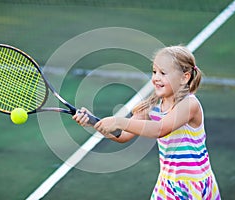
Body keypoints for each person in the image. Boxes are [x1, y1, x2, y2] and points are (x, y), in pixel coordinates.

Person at [73, 45, 221, 199]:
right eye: (154, 72)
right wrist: (93, 122)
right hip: (166, 185)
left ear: (185, 77)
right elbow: (122, 136)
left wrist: (119, 121)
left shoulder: (189, 104)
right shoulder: (152, 106)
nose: (156, 77)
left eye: (163, 73)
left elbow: (159, 129)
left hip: (194, 185)